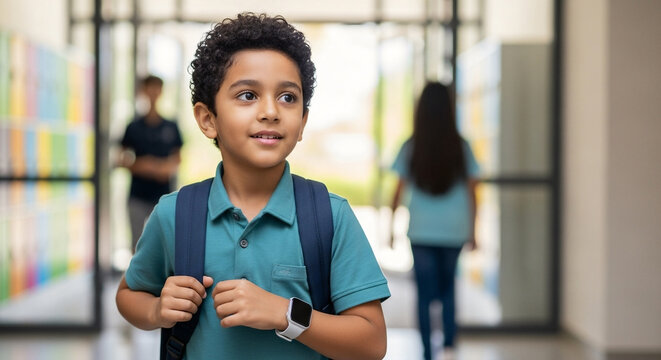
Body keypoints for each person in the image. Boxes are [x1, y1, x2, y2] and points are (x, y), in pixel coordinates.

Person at [116, 13, 390, 360]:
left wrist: (285, 314)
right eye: (247, 95)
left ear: (303, 122)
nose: (271, 111)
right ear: (208, 119)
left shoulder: (329, 216)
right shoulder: (175, 213)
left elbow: (371, 342)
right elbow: (128, 295)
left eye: (288, 97)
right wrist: (157, 311)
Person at [390, 82, 479, 360]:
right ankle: (450, 348)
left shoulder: (411, 145)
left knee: (424, 294)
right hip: (454, 229)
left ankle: (428, 352)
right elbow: (473, 192)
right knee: (449, 289)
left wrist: (390, 227)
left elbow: (398, 190)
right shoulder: (461, 146)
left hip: (422, 230)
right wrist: (474, 230)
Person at [118, 75, 183, 252]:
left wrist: (163, 168)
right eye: (149, 88)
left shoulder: (171, 126)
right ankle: (138, 281)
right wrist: (142, 166)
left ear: (161, 92)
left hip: (163, 196)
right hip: (137, 195)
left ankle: (164, 280)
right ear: (143, 91)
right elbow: (121, 159)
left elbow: (177, 159)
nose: (153, 93)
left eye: (157, 89)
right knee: (137, 245)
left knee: (165, 245)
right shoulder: (133, 127)